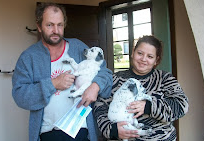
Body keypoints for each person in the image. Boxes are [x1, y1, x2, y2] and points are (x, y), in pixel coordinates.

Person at [12, 2, 112, 141]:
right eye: (49, 25)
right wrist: (52, 84)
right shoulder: (28, 57)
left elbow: (105, 73)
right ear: (39, 26)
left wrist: (95, 86)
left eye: (59, 25)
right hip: (49, 133)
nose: (56, 30)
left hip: (82, 131)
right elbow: (20, 96)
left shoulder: (78, 47)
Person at [93, 35, 189, 141]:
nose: (143, 59)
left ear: (156, 60)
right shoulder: (115, 79)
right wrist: (112, 130)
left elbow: (181, 106)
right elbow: (100, 106)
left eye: (150, 56)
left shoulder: (165, 78)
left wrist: (148, 106)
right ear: (133, 53)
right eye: (140, 53)